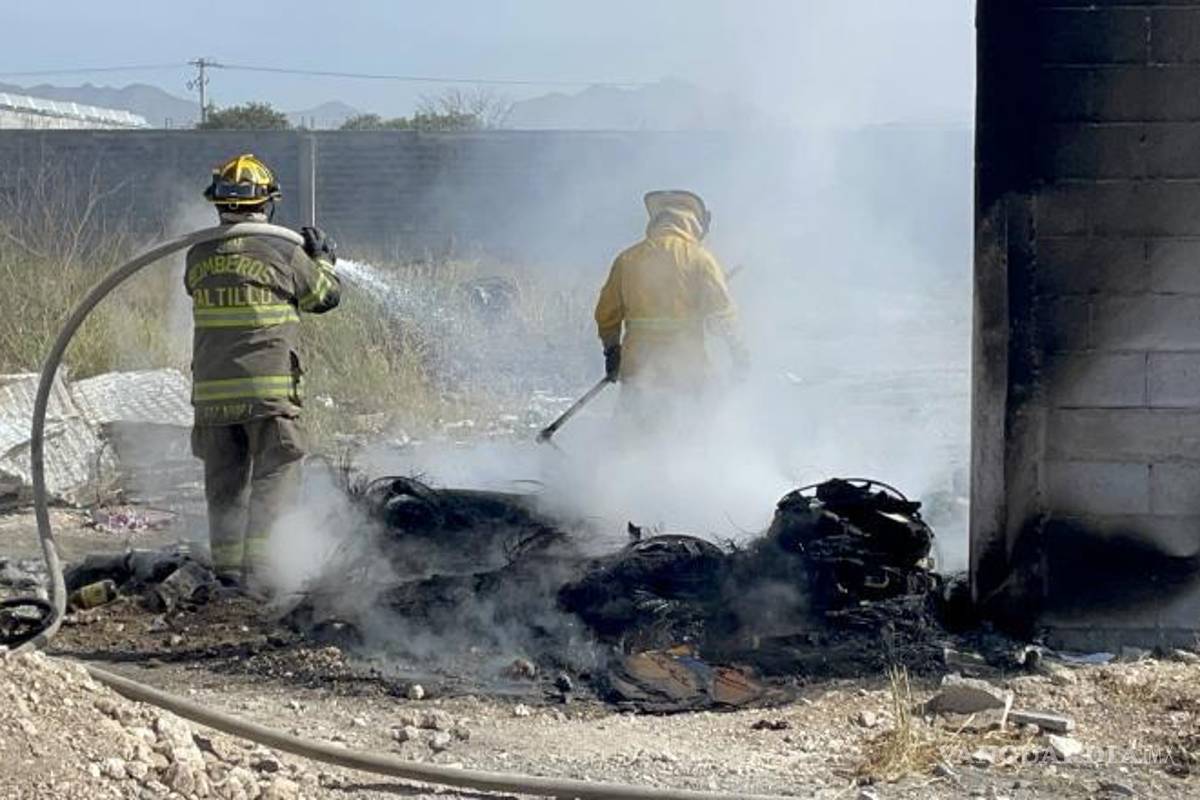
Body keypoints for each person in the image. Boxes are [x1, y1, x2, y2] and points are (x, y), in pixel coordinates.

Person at [185, 153, 341, 591]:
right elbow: (324, 298)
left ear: (218, 203)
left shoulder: (197, 254)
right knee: (275, 476)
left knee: (224, 486)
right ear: (266, 203)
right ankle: (266, 574)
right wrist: (324, 259)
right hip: (267, 394)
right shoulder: (283, 250)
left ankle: (228, 575)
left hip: (213, 397)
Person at [593, 190, 748, 430]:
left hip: (638, 368)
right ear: (692, 222)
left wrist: (612, 351)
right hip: (687, 369)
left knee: (630, 441)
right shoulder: (701, 259)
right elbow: (723, 314)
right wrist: (739, 353)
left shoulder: (628, 259)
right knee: (689, 441)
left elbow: (606, 314)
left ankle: (617, 467)